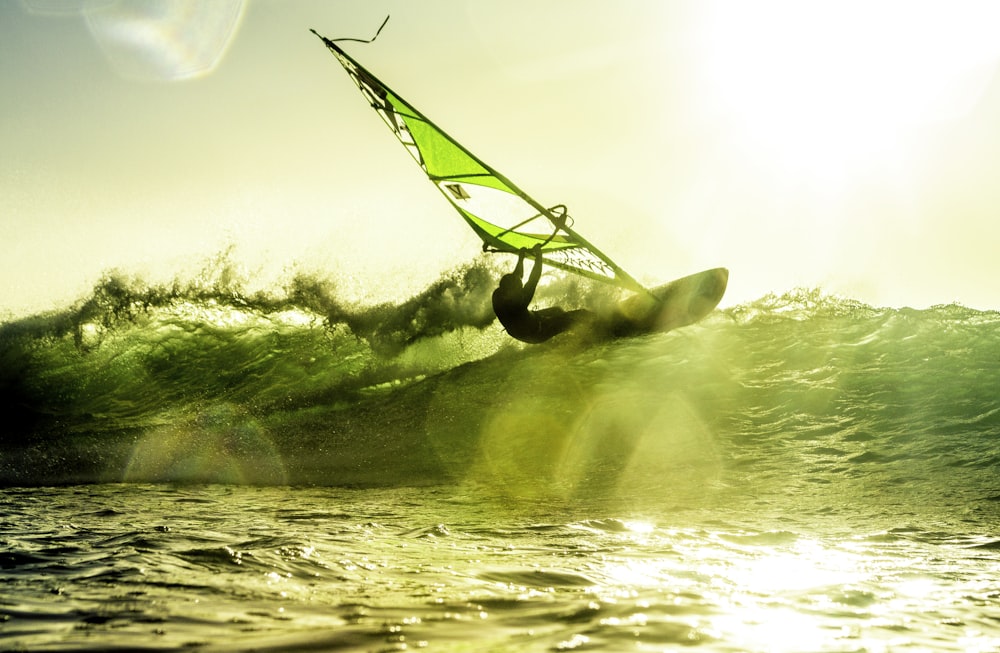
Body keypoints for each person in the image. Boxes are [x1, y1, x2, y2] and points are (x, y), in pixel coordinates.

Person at [491, 245, 592, 343]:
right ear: (511, 291)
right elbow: (534, 278)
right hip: (538, 332)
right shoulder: (519, 303)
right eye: (519, 288)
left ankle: (567, 330)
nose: (521, 289)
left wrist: (521, 258)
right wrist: (539, 256)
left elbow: (517, 276)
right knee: (580, 315)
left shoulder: (498, 294)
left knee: (557, 311)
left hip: (526, 326)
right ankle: (598, 329)